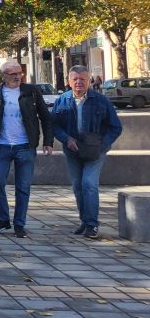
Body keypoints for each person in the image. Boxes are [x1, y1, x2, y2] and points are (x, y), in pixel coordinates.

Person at [0, 61, 54, 238]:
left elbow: (45, 117)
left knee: (23, 186)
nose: (18, 77)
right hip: (2, 146)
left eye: (20, 73)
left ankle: (19, 224)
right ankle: (3, 219)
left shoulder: (31, 92)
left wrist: (48, 141)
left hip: (25, 146)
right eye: (13, 74)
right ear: (4, 75)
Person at [51, 65, 123, 239]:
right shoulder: (62, 100)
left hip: (95, 151)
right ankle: (84, 221)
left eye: (82, 79)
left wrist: (102, 145)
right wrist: (66, 139)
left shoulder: (101, 100)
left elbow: (116, 127)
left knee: (89, 183)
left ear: (89, 81)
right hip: (72, 151)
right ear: (69, 81)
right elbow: (53, 125)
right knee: (78, 186)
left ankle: (92, 224)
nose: (78, 82)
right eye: (75, 79)